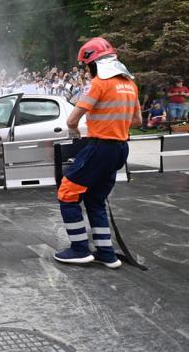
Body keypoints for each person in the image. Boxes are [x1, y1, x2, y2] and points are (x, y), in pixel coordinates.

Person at [54, 37, 142, 269]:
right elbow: (138, 120)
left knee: (67, 192)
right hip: (121, 147)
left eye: (87, 66)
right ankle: (106, 253)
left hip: (100, 146)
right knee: (96, 199)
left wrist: (77, 133)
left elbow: (72, 120)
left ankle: (79, 249)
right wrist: (115, 123)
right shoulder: (130, 84)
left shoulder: (98, 84)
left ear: (93, 63)